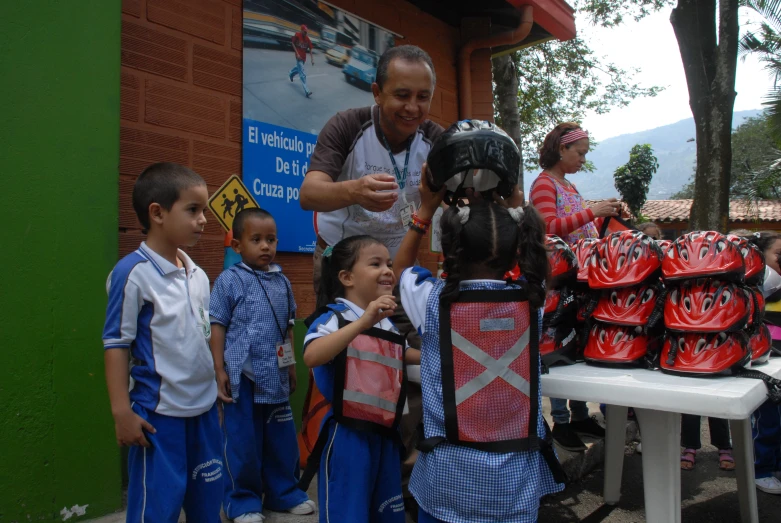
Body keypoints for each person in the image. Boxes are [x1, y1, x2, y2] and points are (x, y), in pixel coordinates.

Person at [300, 44, 443, 517]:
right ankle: (330, 460)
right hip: (343, 267)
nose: (413, 108)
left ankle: (398, 471)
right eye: (401, 94)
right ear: (377, 92)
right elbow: (309, 193)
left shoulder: (433, 139)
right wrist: (352, 189)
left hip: (397, 270)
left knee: (409, 363)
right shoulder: (348, 125)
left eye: (423, 97)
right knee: (342, 369)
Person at [392, 175, 565, 523]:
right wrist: (514, 204)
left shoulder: (433, 299)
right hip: (514, 482)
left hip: (448, 477)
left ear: (450, 248)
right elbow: (532, 256)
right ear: (516, 247)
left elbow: (401, 270)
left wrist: (425, 209)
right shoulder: (534, 299)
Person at [102, 162, 222, 522]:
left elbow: (203, 335)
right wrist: (121, 411)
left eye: (204, 210)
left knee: (206, 504)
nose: (204, 219)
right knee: (158, 508)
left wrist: (215, 387)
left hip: (203, 413)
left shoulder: (198, 274)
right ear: (157, 212)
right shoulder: (132, 274)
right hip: (158, 416)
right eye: (193, 210)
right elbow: (116, 344)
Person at [302, 235, 421, 523]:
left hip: (385, 432)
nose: (388, 270)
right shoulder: (335, 318)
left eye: (389, 264)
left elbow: (405, 353)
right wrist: (362, 323)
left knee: (386, 509)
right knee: (349, 511)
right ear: (346, 277)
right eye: (376, 263)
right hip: (348, 435)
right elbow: (312, 355)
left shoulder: (386, 321)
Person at [209, 208, 315, 522]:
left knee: (281, 442)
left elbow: (288, 326)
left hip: (275, 376)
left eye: (270, 239)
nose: (265, 246)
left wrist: (292, 366)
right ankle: (241, 501)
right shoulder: (228, 280)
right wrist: (218, 370)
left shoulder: (282, 281)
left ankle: (283, 494)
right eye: (256, 240)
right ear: (238, 246)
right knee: (242, 443)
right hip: (241, 377)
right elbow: (218, 325)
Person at [529, 122, 618, 451]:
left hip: (578, 278)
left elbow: (579, 225)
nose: (583, 159)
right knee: (557, 347)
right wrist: (590, 213)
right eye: (579, 153)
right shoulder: (543, 184)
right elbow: (547, 227)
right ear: (560, 150)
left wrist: (600, 213)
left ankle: (580, 416)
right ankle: (562, 421)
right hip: (557, 281)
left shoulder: (568, 185)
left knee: (575, 346)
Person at [748, 231, 781, 494]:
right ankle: (760, 470)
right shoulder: (761, 285)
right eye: (779, 255)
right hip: (767, 368)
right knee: (768, 421)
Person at [289, 24, 314, 98]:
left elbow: (311, 49)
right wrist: (297, 54)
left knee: (298, 69)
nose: (306, 33)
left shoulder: (307, 39)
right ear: (301, 30)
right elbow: (292, 43)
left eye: (306, 32)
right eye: (304, 32)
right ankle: (307, 91)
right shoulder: (297, 35)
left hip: (303, 58)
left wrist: (312, 59)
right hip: (298, 57)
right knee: (302, 73)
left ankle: (291, 74)